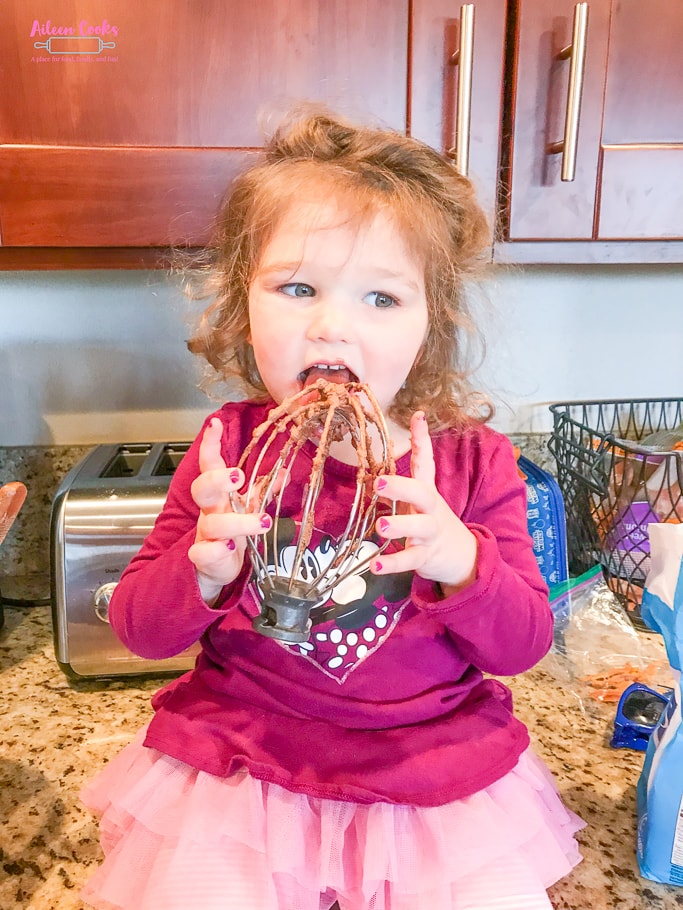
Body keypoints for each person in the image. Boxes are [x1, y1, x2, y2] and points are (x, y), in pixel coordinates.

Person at [80, 108, 583, 910]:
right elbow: (141, 631)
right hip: (240, 770)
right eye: (298, 287)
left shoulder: (471, 462)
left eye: (381, 298)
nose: (331, 324)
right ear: (244, 306)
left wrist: (462, 561)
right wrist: (202, 571)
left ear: (430, 326)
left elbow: (520, 645)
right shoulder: (227, 451)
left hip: (431, 776)